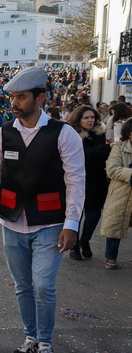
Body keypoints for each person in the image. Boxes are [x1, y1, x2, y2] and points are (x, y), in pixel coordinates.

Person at [0, 66, 85, 353]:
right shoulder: (3, 133)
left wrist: (72, 224)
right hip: (12, 220)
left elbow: (76, 180)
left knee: (43, 285)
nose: (15, 103)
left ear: (39, 98)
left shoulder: (63, 133)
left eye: (22, 97)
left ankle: (44, 343)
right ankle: (30, 337)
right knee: (23, 286)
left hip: (50, 222)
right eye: (12, 97)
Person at [67, 106, 110, 261]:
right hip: (79, 179)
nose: (90, 120)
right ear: (78, 119)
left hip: (98, 180)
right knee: (77, 214)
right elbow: (84, 154)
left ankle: (85, 240)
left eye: (92, 117)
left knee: (94, 214)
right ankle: (74, 246)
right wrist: (108, 148)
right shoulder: (72, 135)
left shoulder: (99, 132)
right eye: (86, 118)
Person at [99, 119, 132, 269]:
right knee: (115, 226)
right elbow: (112, 169)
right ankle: (110, 257)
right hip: (121, 193)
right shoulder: (119, 148)